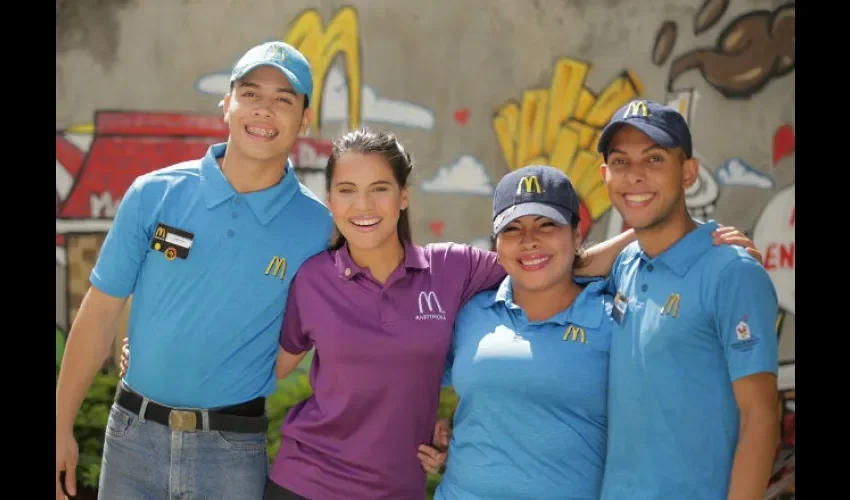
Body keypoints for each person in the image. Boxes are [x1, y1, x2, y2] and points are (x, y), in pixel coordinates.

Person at [118, 128, 760, 499]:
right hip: (304, 482)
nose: (362, 204)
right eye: (345, 190)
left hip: (399, 490)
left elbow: (556, 262)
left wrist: (678, 233)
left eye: (378, 189)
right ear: (331, 200)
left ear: (402, 197)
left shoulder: (457, 270)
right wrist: (157, 359)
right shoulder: (314, 276)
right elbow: (262, 365)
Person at [55, 41, 333, 500]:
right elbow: (100, 312)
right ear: (227, 104)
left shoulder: (318, 226)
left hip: (231, 451)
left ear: (305, 118)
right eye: (251, 94)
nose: (264, 111)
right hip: (131, 440)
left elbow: (325, 329)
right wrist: (61, 423)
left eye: (284, 99)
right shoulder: (153, 193)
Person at [596, 100, 779, 499]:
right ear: (605, 175)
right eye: (621, 162)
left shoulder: (733, 272)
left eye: (654, 159)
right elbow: (560, 268)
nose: (636, 176)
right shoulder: (626, 263)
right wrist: (637, 229)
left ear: (688, 172)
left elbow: (761, 416)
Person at [429, 165, 616, 500]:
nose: (529, 241)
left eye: (546, 225)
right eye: (512, 229)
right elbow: (410, 381)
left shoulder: (613, 322)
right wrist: (428, 427)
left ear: (576, 235)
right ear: (496, 245)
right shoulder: (471, 312)